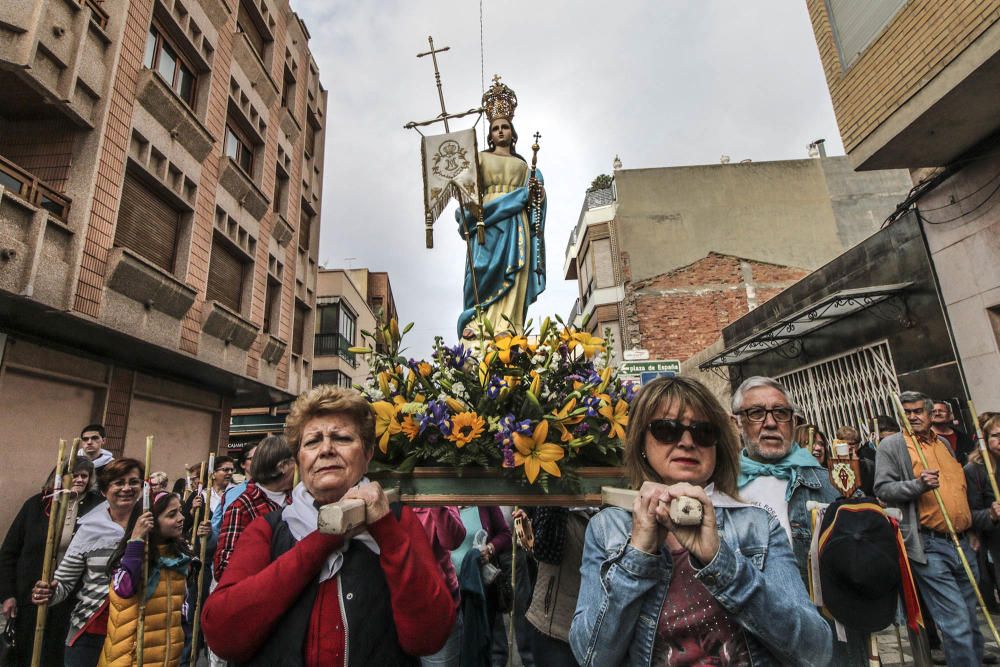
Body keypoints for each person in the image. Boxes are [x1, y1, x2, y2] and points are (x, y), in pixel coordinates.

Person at [570, 376, 831, 666]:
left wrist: (721, 561)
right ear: (641, 441)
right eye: (666, 430)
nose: (687, 442)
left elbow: (815, 650)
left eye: (703, 432)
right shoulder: (609, 528)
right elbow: (592, 657)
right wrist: (638, 554)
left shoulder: (758, 526)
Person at [201, 385, 455, 664]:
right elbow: (223, 635)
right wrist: (325, 537)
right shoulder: (268, 529)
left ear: (368, 453)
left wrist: (384, 529)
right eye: (311, 442)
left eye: (342, 438)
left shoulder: (395, 522)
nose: (326, 449)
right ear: (298, 459)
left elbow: (428, 636)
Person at [874, 390, 984, 666]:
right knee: (956, 623)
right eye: (906, 412)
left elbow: (959, 489)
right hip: (930, 545)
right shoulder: (893, 446)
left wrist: (971, 528)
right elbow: (883, 489)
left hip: (962, 542)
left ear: (929, 413)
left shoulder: (943, 445)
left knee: (971, 620)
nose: (912, 417)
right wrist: (918, 485)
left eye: (917, 411)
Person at [31, 458, 144, 667]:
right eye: (119, 483)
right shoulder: (89, 528)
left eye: (134, 482)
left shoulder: (154, 526)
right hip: (91, 629)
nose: (126, 488)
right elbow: (64, 583)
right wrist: (48, 592)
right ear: (104, 491)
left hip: (139, 632)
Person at [455, 76, 545, 339]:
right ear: (490, 134)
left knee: (514, 273)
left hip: (515, 224)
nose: (501, 132)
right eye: (496, 128)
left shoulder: (523, 165)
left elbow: (534, 198)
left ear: (512, 132)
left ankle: (508, 326)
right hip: (486, 222)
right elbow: (467, 189)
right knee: (481, 270)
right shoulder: (480, 158)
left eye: (505, 127)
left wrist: (538, 193)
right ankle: (478, 322)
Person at [0, 458, 99, 667]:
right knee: (27, 652)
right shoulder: (36, 505)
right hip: (31, 596)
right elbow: (9, 553)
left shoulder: (96, 509)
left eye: (85, 475)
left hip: (72, 599)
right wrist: (8, 594)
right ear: (60, 476)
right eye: (75, 474)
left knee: (57, 655)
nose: (79, 479)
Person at [98, 491, 209, 665]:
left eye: (180, 511)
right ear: (150, 522)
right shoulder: (133, 557)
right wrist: (136, 542)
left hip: (168, 659)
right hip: (131, 659)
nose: (181, 518)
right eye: (172, 514)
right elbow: (124, 590)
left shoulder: (180, 558)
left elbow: (182, 612)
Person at [213, 436, 295, 581]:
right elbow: (224, 567)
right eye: (295, 461)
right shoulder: (241, 507)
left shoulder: (297, 499)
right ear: (282, 466)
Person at [518, 506, 589, 667]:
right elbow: (544, 550)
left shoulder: (607, 514)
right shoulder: (557, 509)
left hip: (590, 629)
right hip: (554, 625)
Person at [412, 506, 466, 667]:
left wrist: (435, 504)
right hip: (402, 612)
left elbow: (453, 539)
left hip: (440, 611)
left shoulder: (436, 497)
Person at [965, 414, 1000, 613]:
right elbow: (971, 515)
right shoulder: (975, 470)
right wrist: (991, 515)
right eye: (996, 436)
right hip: (995, 543)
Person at [931, 400, 975, 465]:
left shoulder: (963, 437)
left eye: (941, 411)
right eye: (933, 411)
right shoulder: (923, 438)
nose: (937, 413)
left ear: (950, 415)